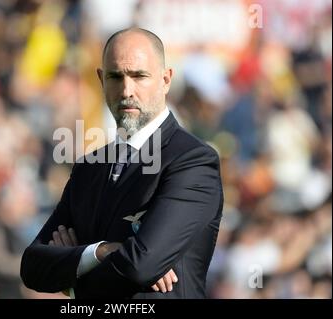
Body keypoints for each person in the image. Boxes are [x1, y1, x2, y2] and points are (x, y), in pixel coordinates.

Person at [20, 28, 223, 298]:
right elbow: (33, 267)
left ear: (166, 79)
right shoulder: (89, 168)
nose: (127, 90)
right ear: (102, 80)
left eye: (139, 76)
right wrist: (102, 250)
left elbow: (141, 266)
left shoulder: (193, 163)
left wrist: (73, 270)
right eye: (116, 76)